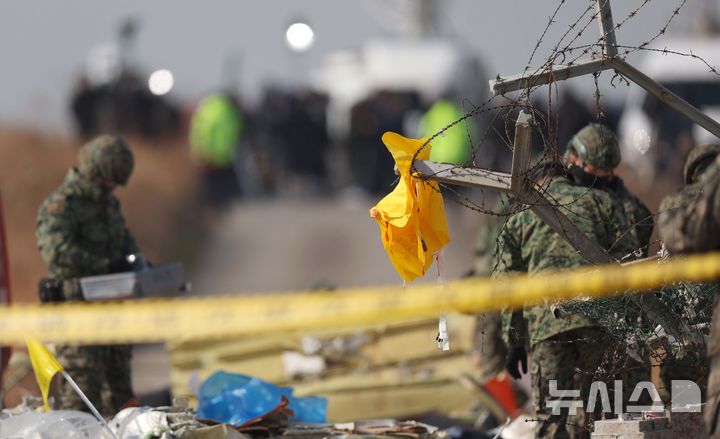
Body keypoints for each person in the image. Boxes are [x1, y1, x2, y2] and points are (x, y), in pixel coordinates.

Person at [498, 160, 639, 438]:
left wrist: (514, 342)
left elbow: (510, 285)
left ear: (538, 183)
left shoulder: (521, 217)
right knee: (602, 417)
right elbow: (629, 260)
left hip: (546, 328)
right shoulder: (599, 203)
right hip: (598, 322)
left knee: (553, 421)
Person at [35, 135, 138, 414]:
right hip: (77, 314)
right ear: (96, 172)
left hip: (113, 312)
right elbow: (57, 252)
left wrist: (135, 262)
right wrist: (104, 265)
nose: (112, 188)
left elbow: (124, 239)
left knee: (122, 399)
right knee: (81, 397)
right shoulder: (61, 205)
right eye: (109, 181)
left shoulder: (108, 204)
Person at [657, 143, 720, 438]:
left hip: (683, 331)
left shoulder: (676, 202)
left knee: (684, 419)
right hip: (711, 324)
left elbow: (672, 240)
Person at [564, 123, 653, 255]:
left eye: (606, 170)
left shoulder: (630, 208)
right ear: (574, 159)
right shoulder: (555, 186)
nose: (601, 176)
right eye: (594, 170)